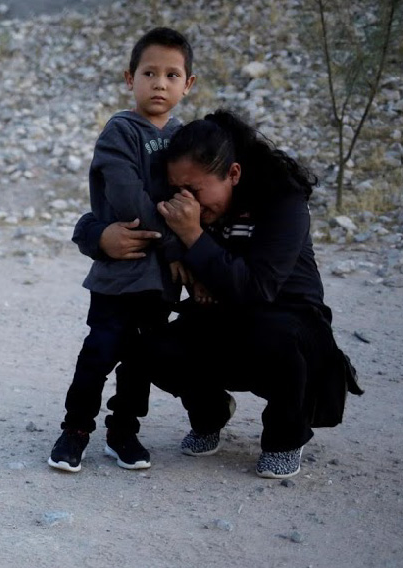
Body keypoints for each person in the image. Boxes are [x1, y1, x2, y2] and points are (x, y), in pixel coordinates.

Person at [83, 109, 362, 479]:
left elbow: (259, 288)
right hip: (225, 318)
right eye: (179, 190)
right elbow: (111, 212)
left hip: (291, 325)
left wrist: (193, 237)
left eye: (196, 191)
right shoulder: (187, 203)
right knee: (150, 348)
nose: (188, 202)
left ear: (233, 174)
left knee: (276, 336)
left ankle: (284, 438)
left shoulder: (283, 201)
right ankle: (210, 414)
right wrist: (97, 238)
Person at [47, 27, 196, 473]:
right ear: (130, 78)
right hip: (120, 272)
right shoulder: (121, 131)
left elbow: (194, 198)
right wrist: (176, 241)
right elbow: (129, 198)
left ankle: (123, 433)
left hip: (160, 283)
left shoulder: (187, 137)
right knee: (100, 350)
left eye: (172, 75)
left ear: (187, 85)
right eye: (149, 73)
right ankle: (75, 431)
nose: (160, 83)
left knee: (140, 362)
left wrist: (185, 248)